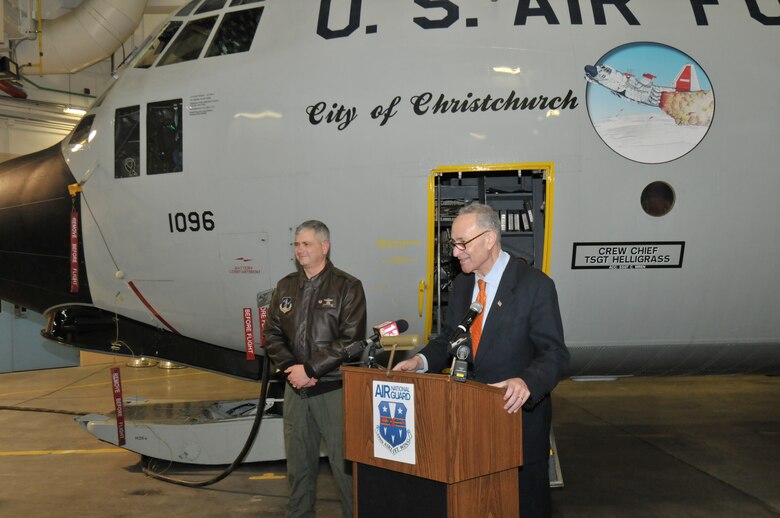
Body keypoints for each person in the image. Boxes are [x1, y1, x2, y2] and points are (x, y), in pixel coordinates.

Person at [394, 202, 569, 518]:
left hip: (517, 427)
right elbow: (450, 337)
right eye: (453, 244)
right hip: (470, 424)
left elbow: (555, 353)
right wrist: (420, 362)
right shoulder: (463, 285)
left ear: (490, 238)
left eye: (463, 243)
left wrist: (527, 381)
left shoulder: (535, 286)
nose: (456, 252)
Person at [264, 220, 367, 518]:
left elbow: (352, 341)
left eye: (306, 244)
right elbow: (271, 333)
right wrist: (291, 369)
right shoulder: (285, 286)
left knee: (344, 469)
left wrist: (310, 369)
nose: (300, 250)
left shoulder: (348, 287)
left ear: (325, 247)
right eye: (296, 244)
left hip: (332, 390)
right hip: (295, 390)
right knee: (298, 468)